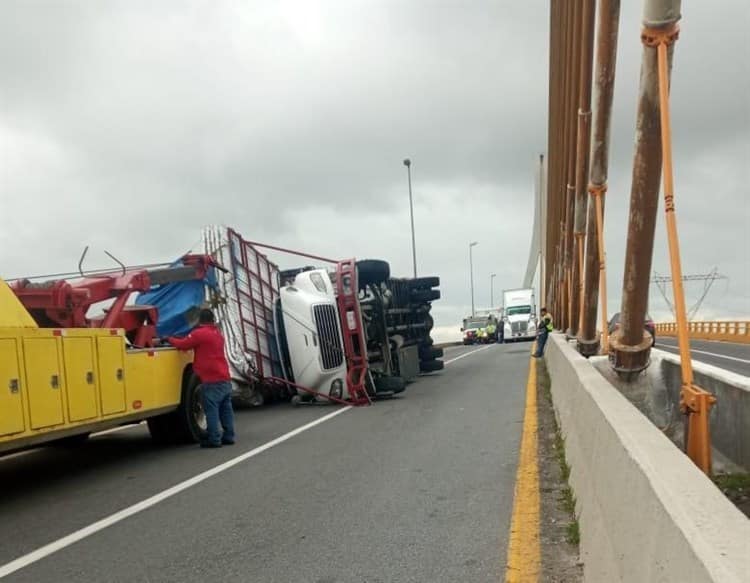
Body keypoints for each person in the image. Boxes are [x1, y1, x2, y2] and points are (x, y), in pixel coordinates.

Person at [168, 308, 235, 448]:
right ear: (212, 320)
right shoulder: (217, 334)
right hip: (225, 377)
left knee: (211, 410)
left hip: (211, 380)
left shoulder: (199, 334)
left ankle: (214, 439)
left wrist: (169, 339)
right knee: (226, 409)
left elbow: (183, 345)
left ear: (200, 320)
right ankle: (229, 436)